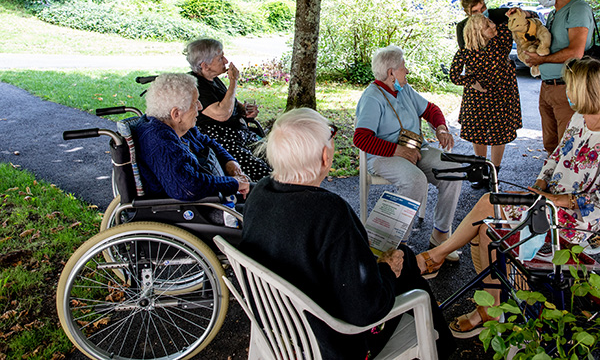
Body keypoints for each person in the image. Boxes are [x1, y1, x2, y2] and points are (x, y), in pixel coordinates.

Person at [417, 57, 600, 338]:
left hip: (573, 220)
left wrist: (555, 200)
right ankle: (492, 302)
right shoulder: (580, 119)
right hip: (546, 202)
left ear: (586, 90)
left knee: (487, 215)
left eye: (571, 87)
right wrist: (539, 185)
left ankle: (445, 265)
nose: (567, 92)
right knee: (487, 220)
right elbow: (555, 157)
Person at [239, 108, 455, 359]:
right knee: (405, 264)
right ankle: (442, 347)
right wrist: (389, 269)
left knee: (400, 260)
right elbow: (366, 309)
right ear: (324, 157)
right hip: (334, 342)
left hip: (281, 327)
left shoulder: (260, 193)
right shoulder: (329, 212)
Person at [354, 45, 462, 255]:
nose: (407, 71)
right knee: (415, 180)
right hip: (383, 156)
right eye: (404, 67)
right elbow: (361, 139)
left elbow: (431, 109)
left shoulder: (405, 90)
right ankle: (394, 247)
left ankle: (440, 235)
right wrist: (397, 150)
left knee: (453, 170)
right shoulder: (371, 97)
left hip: (416, 150)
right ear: (391, 72)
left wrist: (440, 127)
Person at [135, 73, 251, 224]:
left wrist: (230, 162)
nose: (200, 107)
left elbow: (208, 142)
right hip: (197, 210)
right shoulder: (160, 143)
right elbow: (189, 186)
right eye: (195, 103)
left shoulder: (178, 128)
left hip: (213, 197)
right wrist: (233, 183)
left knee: (269, 192)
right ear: (176, 113)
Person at [517, 0, 595, 155]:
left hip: (568, 87)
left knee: (568, 146)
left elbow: (576, 51)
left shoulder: (577, 9)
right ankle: (553, 182)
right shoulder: (554, 13)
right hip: (548, 87)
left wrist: (541, 60)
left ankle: (565, 184)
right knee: (551, 145)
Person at [450, 14, 522, 189]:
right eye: (487, 26)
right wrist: (471, 82)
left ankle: (494, 173)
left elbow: (511, 17)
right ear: (476, 32)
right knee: (478, 134)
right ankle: (481, 170)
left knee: (500, 135)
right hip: (477, 99)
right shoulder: (466, 51)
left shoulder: (501, 39)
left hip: (502, 96)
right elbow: (453, 76)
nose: (493, 26)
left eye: (490, 22)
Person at [185, 38, 271, 181]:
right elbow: (222, 114)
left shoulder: (213, 80)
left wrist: (245, 111)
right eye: (220, 58)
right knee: (263, 173)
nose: (225, 61)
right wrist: (234, 82)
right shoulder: (196, 85)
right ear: (205, 65)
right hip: (223, 142)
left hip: (240, 136)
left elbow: (231, 105)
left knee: (279, 157)